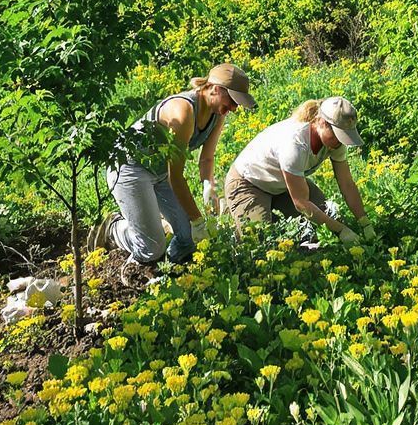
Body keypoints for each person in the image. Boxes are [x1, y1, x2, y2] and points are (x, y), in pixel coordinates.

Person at [88, 63, 257, 270]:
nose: (234, 108)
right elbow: (175, 177)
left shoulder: (218, 114)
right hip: (130, 167)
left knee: (188, 237)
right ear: (215, 89)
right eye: (232, 101)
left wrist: (209, 184)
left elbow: (206, 159)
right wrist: (198, 221)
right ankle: (114, 229)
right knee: (151, 247)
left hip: (160, 172)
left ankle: (168, 267)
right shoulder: (183, 111)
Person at [225, 96, 376, 243]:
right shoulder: (295, 143)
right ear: (322, 122)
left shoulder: (336, 143)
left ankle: (270, 215)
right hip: (249, 183)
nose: (339, 141)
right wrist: (341, 230)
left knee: (328, 216)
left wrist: (364, 222)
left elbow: (346, 184)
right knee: (260, 240)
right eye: (337, 135)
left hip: (282, 183)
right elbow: (301, 202)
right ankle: (233, 211)